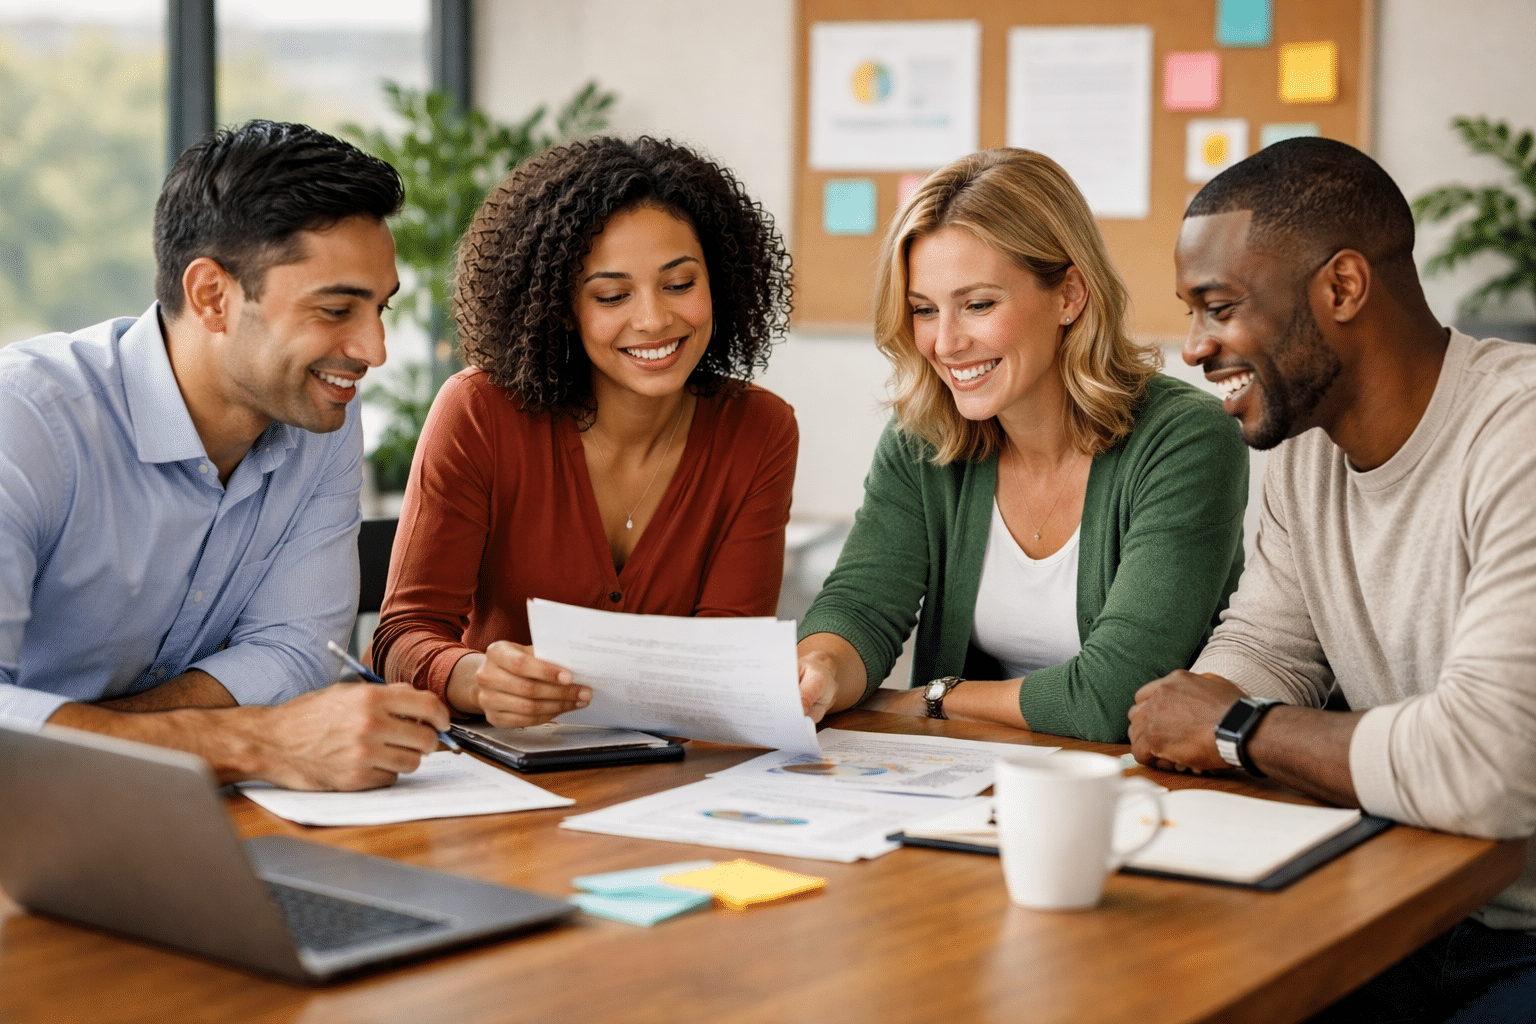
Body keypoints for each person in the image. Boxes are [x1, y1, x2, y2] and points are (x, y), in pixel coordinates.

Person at [1128, 137, 1536, 1022]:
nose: (1192, 348)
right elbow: (1269, 647)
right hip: (1404, 901)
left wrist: (1235, 728)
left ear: (1343, 287)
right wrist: (1194, 709)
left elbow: (1488, 765)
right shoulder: (1306, 450)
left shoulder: (1518, 439)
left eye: (1219, 307)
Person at [0, 120, 451, 792]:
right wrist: (253, 741)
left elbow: (295, 649)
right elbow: (269, 716)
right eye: (336, 310)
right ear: (212, 296)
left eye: (380, 309)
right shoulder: (25, 419)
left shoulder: (323, 416)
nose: (374, 351)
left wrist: (89, 738)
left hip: (171, 809)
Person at [795, 148, 1248, 742]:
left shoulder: (1186, 439)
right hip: (969, 772)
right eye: (924, 310)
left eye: (978, 305)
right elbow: (860, 606)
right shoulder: (922, 436)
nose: (946, 343)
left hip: (1141, 780)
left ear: (1070, 295)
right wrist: (823, 669)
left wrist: (931, 700)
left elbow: (1114, 697)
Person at [370, 136, 797, 727]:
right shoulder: (479, 412)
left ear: (718, 281)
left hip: (674, 764)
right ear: (561, 306)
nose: (654, 319)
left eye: (680, 284)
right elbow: (402, 635)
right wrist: (475, 679)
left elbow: (728, 658)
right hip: (504, 761)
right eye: (612, 295)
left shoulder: (758, 429)